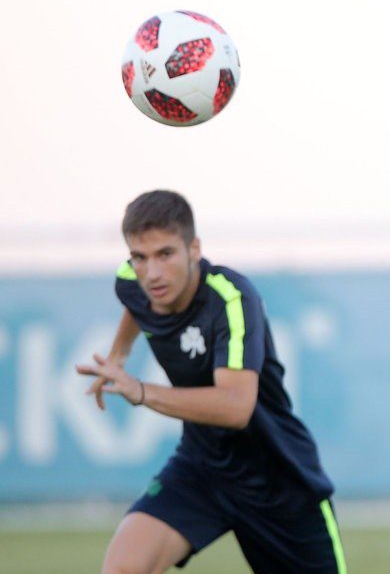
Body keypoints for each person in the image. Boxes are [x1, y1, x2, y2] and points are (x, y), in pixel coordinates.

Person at [76, 190, 346, 573]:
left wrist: (142, 391)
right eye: (140, 257)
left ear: (194, 249)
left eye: (165, 254)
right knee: (123, 568)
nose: (152, 273)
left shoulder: (231, 298)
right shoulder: (131, 281)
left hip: (279, 479)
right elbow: (135, 303)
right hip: (202, 467)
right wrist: (119, 353)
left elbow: (236, 408)